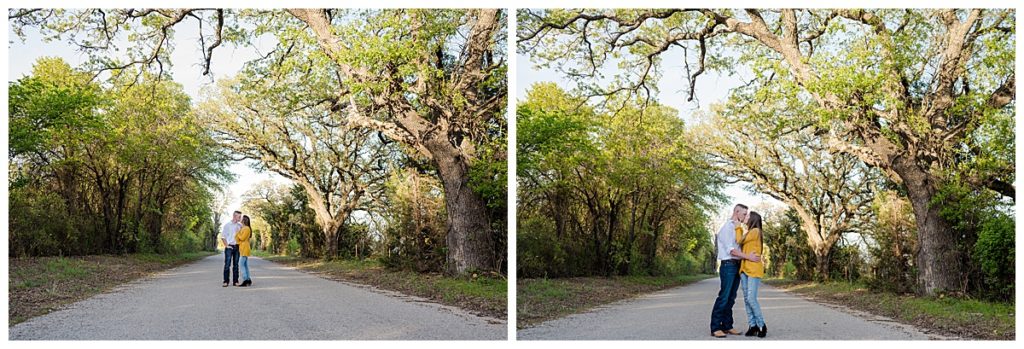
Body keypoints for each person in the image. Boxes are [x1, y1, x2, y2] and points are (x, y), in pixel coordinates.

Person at [710, 204, 761, 338]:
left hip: (736, 265)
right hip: (728, 265)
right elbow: (731, 250)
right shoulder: (727, 228)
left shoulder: (737, 228)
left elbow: (741, 244)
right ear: (736, 212)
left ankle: (727, 326)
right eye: (744, 214)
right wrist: (748, 257)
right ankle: (715, 327)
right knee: (724, 297)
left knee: (731, 298)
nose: (746, 217)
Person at [739, 211, 767, 338]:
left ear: (753, 219)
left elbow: (739, 240)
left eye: (748, 216)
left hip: (754, 269)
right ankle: (752, 325)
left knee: (751, 298)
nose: (746, 218)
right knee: (746, 299)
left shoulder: (755, 231)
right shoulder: (750, 232)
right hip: (744, 269)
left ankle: (761, 325)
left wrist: (737, 226)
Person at [220, 211, 242, 287]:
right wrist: (226, 246)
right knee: (227, 264)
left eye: (240, 216)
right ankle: (226, 281)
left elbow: (242, 236)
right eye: (239, 217)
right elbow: (223, 237)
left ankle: (235, 281)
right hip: (229, 247)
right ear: (234, 216)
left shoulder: (240, 225)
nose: (240, 218)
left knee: (236, 265)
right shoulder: (227, 225)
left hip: (237, 247)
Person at [236, 215, 253, 287]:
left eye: (241, 218)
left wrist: (238, 233)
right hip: (243, 247)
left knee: (241, 265)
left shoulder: (246, 228)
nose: (240, 219)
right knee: (245, 265)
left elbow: (242, 238)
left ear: (244, 220)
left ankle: (245, 280)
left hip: (244, 248)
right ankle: (248, 279)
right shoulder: (244, 228)